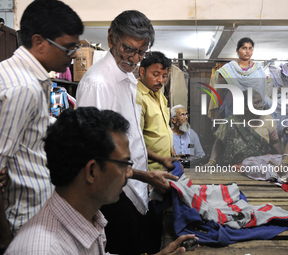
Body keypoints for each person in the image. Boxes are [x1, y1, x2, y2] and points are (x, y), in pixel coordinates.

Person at [4, 107, 196, 255]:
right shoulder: (45, 249)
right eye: (124, 164)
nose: (129, 173)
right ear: (92, 171)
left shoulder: (88, 219)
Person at [76, 11, 178, 254]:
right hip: (114, 194)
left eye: (141, 52)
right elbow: (96, 154)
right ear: (112, 38)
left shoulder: (126, 79)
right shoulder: (99, 84)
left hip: (132, 188)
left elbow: (130, 138)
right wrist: (144, 176)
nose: (134, 58)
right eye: (129, 49)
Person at [0, 0, 83, 252]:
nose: (75, 55)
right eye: (69, 48)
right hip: (24, 220)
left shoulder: (19, 76)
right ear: (39, 42)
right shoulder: (23, 88)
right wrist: (5, 240)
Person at [206, 90, 282, 167]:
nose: (261, 105)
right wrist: (211, 162)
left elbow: (275, 143)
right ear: (245, 106)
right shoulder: (230, 122)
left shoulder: (268, 120)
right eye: (257, 102)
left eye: (261, 102)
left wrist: (282, 162)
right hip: (233, 169)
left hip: (259, 169)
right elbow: (218, 143)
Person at [136, 51, 175, 171]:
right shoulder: (137, 97)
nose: (161, 80)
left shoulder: (160, 96)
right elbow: (135, 142)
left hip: (165, 166)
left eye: (164, 76)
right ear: (142, 72)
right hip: (149, 169)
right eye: (156, 74)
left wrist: (173, 155)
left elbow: (164, 129)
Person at [216, 37, 270, 118]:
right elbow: (219, 93)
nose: (247, 51)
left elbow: (262, 91)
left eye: (250, 48)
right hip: (233, 111)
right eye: (244, 48)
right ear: (237, 51)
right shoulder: (227, 70)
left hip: (253, 113)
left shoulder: (259, 70)